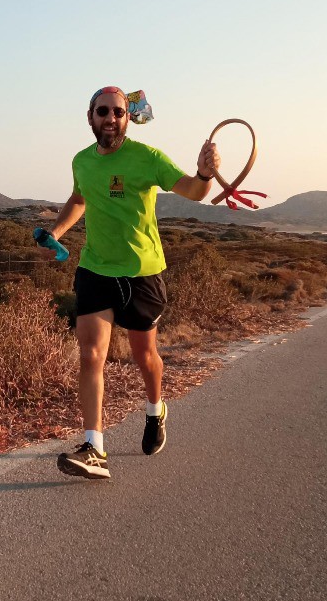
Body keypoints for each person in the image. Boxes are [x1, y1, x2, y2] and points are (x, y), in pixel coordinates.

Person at [36, 86, 220, 480]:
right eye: (103, 111)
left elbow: (194, 191)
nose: (111, 118)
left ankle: (156, 410)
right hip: (95, 270)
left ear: (127, 117)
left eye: (119, 112)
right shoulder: (82, 161)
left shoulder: (147, 158)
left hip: (141, 274)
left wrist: (205, 172)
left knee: (144, 357)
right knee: (90, 355)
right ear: (90, 117)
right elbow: (79, 199)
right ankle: (94, 448)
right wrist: (56, 231)